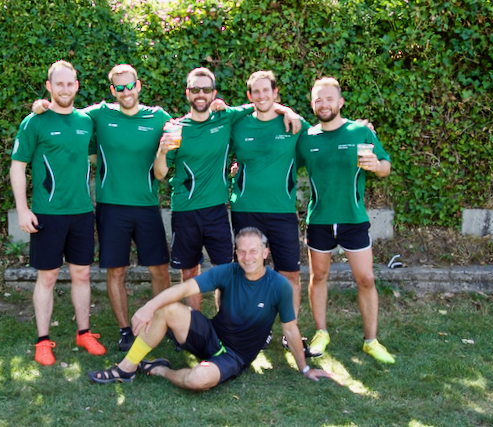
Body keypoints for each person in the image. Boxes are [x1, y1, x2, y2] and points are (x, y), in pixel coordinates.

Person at [32, 64, 172, 351]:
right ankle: (124, 330)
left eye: (130, 85)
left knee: (160, 269)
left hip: (147, 205)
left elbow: (188, 125)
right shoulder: (99, 114)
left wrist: (217, 108)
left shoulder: (159, 117)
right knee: (116, 271)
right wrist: (42, 105)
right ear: (112, 91)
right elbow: (66, 112)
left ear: (138, 85)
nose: (126, 92)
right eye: (119, 87)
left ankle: (164, 321)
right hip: (111, 207)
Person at [87, 227, 333, 390]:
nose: (247, 257)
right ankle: (126, 369)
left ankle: (160, 370)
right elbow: (184, 289)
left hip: (235, 356)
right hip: (211, 336)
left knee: (197, 379)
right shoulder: (228, 271)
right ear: (236, 253)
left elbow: (290, 330)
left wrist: (305, 368)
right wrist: (149, 306)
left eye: (253, 251)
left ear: (265, 253)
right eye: (241, 251)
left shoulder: (279, 286)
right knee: (167, 308)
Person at [154, 68, 301, 312]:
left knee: (225, 271)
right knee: (189, 271)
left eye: (206, 89)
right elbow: (159, 173)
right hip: (185, 211)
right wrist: (162, 151)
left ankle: (226, 323)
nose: (201, 94)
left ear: (214, 93)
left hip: (217, 211)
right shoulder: (176, 128)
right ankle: (194, 323)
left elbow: (261, 103)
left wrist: (288, 111)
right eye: (195, 89)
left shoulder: (226, 118)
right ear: (187, 93)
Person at [10, 60, 106, 366]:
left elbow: (99, 152)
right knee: (48, 276)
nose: (65, 89)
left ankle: (84, 333)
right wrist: (22, 209)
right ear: (49, 86)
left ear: (77, 86)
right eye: (59, 84)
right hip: (47, 213)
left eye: (70, 84)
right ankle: (42, 341)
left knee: (82, 274)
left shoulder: (87, 121)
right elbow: (17, 166)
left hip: (82, 212)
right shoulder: (34, 122)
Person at [297, 77, 395, 363]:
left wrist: (376, 165)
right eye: (318, 99)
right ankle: (321, 332)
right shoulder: (306, 138)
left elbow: (386, 166)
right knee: (318, 277)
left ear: (340, 102)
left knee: (366, 279)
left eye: (329, 98)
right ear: (312, 104)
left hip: (353, 219)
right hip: (319, 220)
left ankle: (371, 341)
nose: (323, 104)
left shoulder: (360, 132)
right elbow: (281, 160)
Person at [229, 71, 309, 350]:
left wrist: (288, 111)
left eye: (267, 91)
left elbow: (324, 138)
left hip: (281, 211)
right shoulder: (239, 124)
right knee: (250, 272)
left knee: (290, 274)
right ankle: (256, 330)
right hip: (246, 209)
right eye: (256, 91)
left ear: (275, 93)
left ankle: (290, 332)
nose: (262, 96)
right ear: (249, 96)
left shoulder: (294, 124)